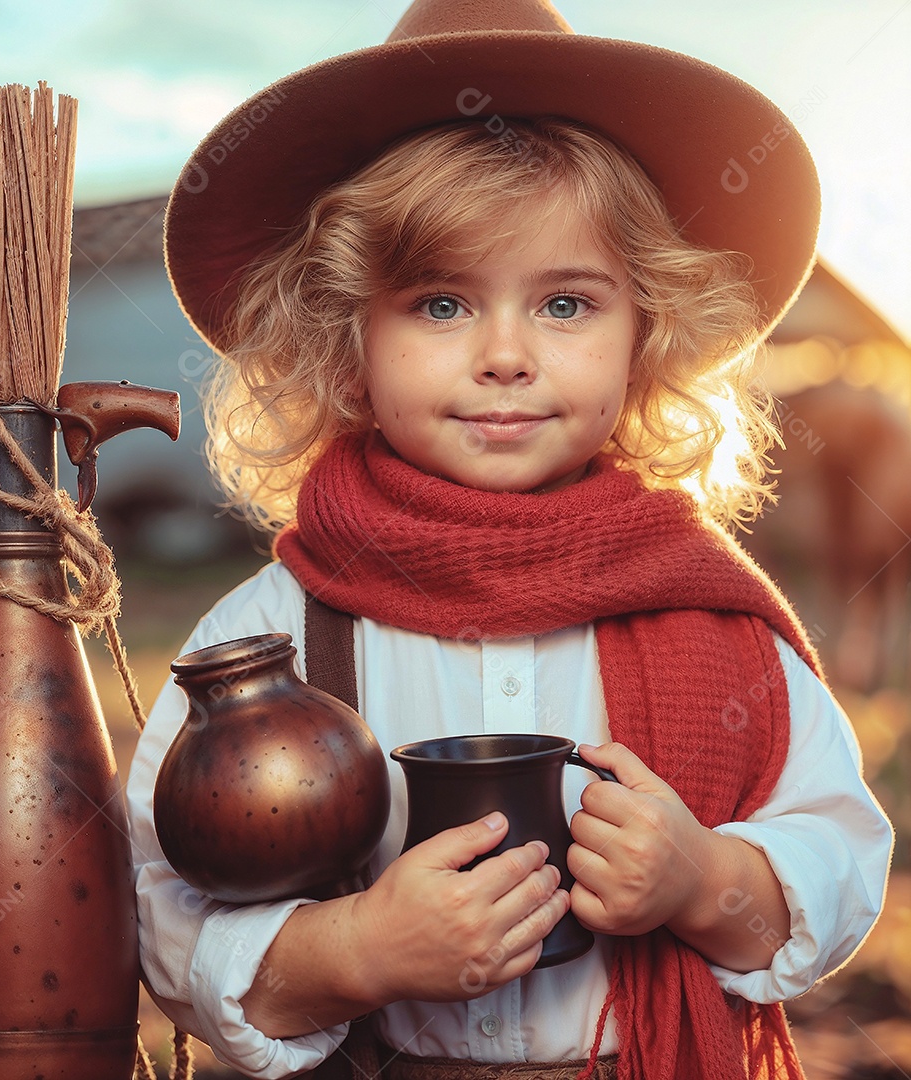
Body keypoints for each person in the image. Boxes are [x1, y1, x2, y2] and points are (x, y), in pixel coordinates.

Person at [127, 2, 893, 1078]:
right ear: (347, 345)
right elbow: (161, 896)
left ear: (646, 340)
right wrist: (356, 950)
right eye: (440, 303)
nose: (505, 355)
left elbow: (837, 855)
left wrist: (700, 881)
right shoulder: (276, 631)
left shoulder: (709, 614)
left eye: (566, 304)